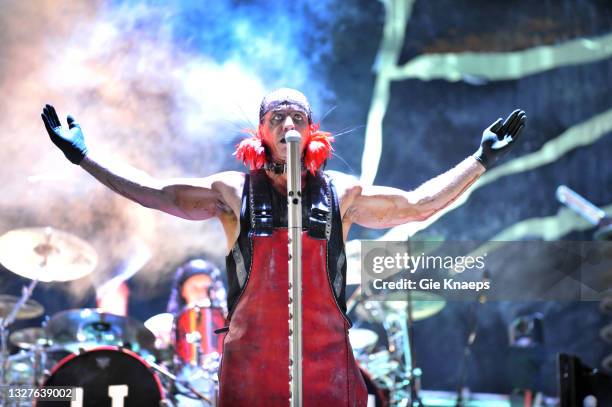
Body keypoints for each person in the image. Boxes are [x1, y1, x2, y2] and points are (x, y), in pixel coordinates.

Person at [41, 88, 526, 406]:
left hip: (327, 370)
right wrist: (85, 158)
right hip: (252, 367)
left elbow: (418, 204)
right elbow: (156, 194)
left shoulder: (344, 193)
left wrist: (479, 160)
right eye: (278, 115)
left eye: (298, 115)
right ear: (262, 131)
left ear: (312, 130)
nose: (289, 121)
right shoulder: (232, 191)